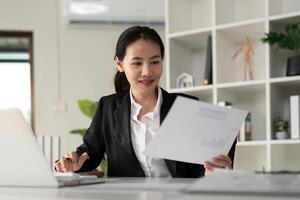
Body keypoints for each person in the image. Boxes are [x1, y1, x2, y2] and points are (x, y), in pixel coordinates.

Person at [55, 26, 236, 178]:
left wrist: (214, 172)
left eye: (155, 62)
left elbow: (199, 169)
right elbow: (90, 154)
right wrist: (72, 164)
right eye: (137, 63)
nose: (147, 72)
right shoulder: (108, 108)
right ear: (119, 64)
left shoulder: (185, 107)